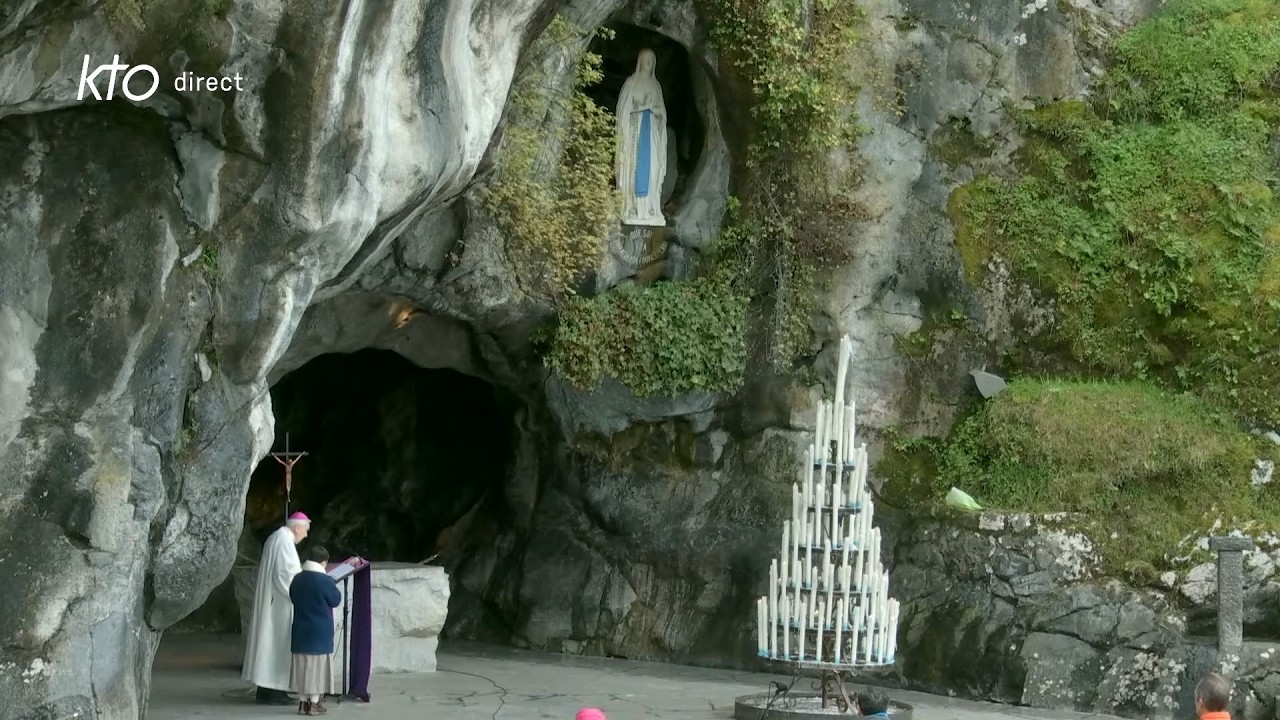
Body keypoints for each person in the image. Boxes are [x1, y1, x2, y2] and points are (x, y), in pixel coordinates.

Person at [242, 512, 311, 705]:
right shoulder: (284, 541)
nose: (306, 535)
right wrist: (302, 589)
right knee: (277, 646)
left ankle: (267, 689)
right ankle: (274, 690)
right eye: (305, 530)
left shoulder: (277, 537)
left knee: (270, 645)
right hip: (280, 603)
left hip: (274, 600)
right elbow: (286, 575)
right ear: (297, 527)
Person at [290, 543, 341, 715]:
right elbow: (335, 600)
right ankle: (313, 703)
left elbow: (292, 597)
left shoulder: (297, 579)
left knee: (302, 667)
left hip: (300, 630)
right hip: (319, 632)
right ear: (323, 562)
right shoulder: (325, 581)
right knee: (316, 669)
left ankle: (302, 703)